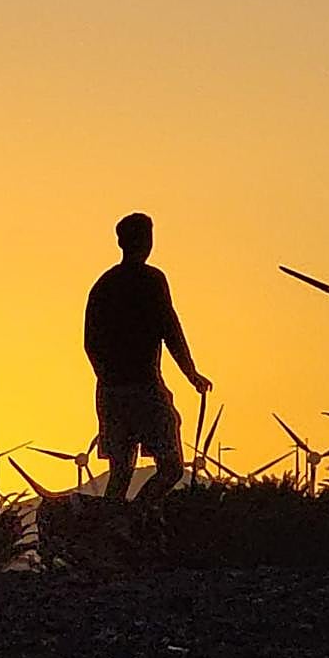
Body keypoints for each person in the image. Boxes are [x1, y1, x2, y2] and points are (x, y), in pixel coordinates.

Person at [84, 212, 212, 505]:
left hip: (110, 391)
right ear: (144, 241)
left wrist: (106, 376)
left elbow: (89, 342)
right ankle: (135, 515)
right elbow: (170, 329)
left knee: (120, 472)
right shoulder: (152, 280)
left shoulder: (103, 285)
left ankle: (116, 522)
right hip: (143, 388)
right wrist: (191, 374)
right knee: (171, 467)